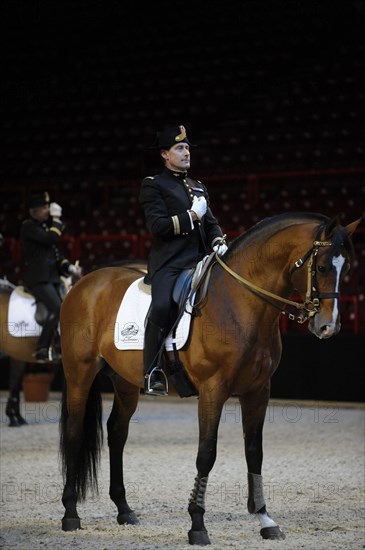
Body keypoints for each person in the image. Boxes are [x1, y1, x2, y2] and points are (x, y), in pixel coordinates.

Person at [139, 125, 228, 396]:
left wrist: (217, 241)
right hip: (171, 263)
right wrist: (191, 216)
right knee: (163, 305)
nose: (186, 152)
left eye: (187, 147)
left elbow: (211, 224)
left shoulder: (197, 186)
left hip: (201, 259)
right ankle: (151, 371)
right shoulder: (153, 185)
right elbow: (158, 227)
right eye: (180, 148)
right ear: (165, 154)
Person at [20, 191, 82, 362]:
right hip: (38, 279)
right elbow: (50, 239)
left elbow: (56, 254)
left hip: (52, 278)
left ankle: (57, 346)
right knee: (59, 309)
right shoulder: (28, 227)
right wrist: (56, 219)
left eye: (48, 208)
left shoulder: (44, 228)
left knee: (66, 308)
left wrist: (69, 267)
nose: (48, 210)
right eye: (45, 208)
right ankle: (42, 348)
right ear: (35, 210)